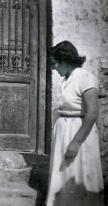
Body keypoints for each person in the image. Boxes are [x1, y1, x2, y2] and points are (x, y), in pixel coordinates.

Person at [46, 41, 104, 206]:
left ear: (65, 60)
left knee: (79, 174)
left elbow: (92, 112)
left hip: (78, 133)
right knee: (62, 176)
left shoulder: (85, 78)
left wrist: (76, 142)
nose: (53, 68)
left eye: (54, 63)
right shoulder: (66, 79)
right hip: (64, 131)